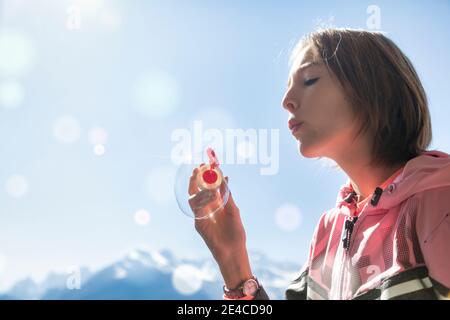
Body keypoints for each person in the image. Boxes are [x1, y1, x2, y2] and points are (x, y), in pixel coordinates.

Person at [188, 28, 450, 300]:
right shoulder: (328, 230)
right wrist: (232, 260)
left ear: (374, 90)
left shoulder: (439, 200)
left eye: (310, 79)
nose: (286, 101)